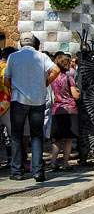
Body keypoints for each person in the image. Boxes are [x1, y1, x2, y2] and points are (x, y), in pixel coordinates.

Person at [4, 32, 60, 182]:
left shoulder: (13, 57)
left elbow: (6, 80)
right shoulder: (41, 56)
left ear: (21, 43)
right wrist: (45, 83)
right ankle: (38, 171)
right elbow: (56, 70)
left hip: (19, 99)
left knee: (16, 136)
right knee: (36, 136)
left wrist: (15, 88)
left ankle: (16, 170)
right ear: (34, 42)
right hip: (38, 100)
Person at [49, 54, 80, 171]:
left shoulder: (54, 79)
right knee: (68, 139)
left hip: (57, 109)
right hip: (69, 109)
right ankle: (65, 163)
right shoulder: (69, 79)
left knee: (57, 139)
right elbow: (75, 95)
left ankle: (53, 161)